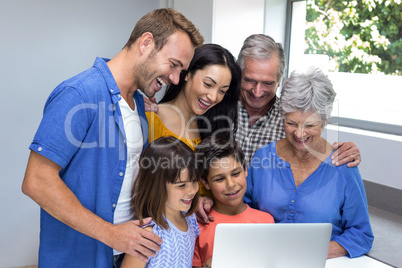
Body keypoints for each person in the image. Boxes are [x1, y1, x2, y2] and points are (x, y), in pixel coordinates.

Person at [21, 8, 204, 267]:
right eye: (173, 65)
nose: (174, 79)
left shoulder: (138, 104)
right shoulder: (79, 94)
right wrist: (112, 235)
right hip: (80, 257)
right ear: (146, 43)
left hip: (121, 256)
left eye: (180, 70)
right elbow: (36, 182)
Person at [244, 67, 374, 259]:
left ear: (326, 120)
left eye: (310, 125)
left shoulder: (343, 165)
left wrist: (312, 252)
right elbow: (241, 212)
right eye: (291, 123)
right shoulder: (262, 158)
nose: (299, 133)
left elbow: (361, 234)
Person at [192, 137, 274, 267]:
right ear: (205, 183)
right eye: (219, 179)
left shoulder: (266, 221)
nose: (230, 184)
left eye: (236, 174)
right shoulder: (197, 225)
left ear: (245, 170)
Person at [121, 136, 200, 268]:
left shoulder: (190, 219)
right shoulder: (149, 234)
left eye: (195, 181)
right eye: (181, 185)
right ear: (156, 187)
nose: (192, 190)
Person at [146, 43, 241, 150]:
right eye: (208, 84)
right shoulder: (150, 119)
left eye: (222, 91)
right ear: (188, 74)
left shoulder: (214, 128)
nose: (213, 97)